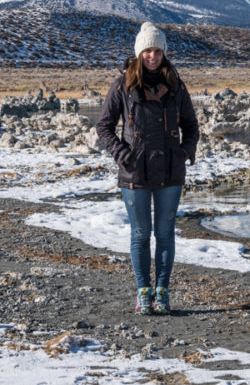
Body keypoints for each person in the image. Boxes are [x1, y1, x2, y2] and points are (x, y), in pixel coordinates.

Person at [96, 22, 199, 315]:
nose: (153, 56)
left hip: (170, 171)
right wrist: (121, 153)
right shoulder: (123, 86)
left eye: (157, 50)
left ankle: (162, 293)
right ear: (139, 53)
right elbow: (104, 126)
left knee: (165, 233)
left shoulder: (177, 85)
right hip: (134, 172)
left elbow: (191, 125)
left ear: (164, 52)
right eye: (148, 51)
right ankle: (143, 292)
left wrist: (185, 152)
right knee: (141, 234)